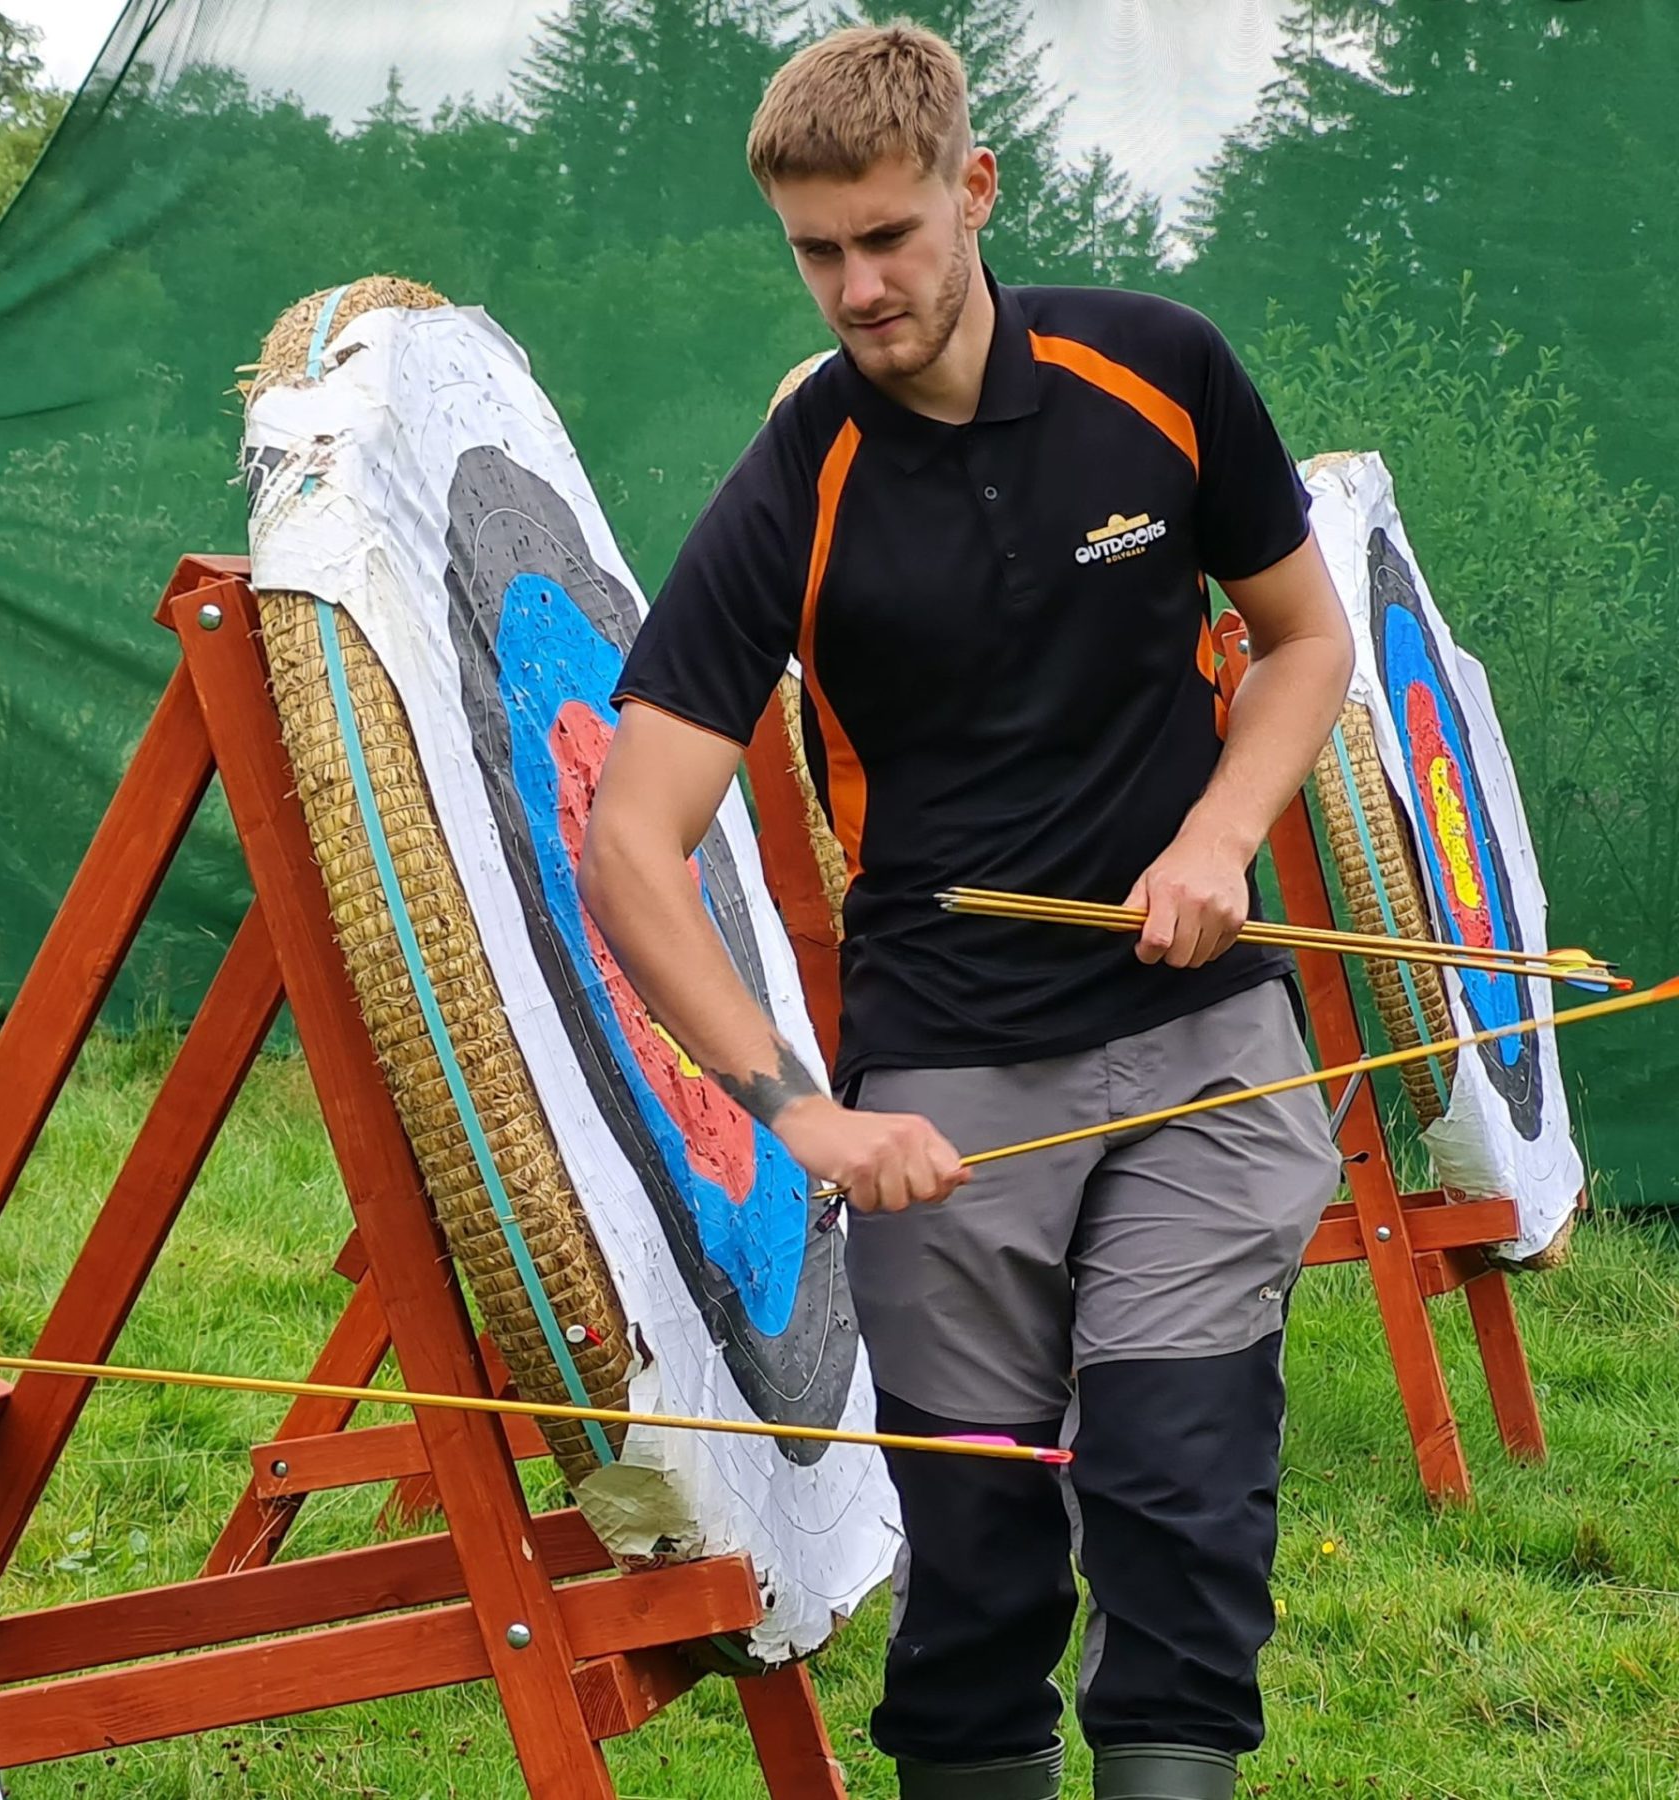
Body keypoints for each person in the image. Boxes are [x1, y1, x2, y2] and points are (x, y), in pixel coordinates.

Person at [577, 21, 1355, 1800]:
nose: (858, 287)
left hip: (1202, 1054)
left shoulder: (1160, 373)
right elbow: (633, 843)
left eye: (890, 237)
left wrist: (1223, 836)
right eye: (819, 253)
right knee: (984, 1567)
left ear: (974, 191)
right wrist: (806, 1113)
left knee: (1180, 1497)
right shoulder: (798, 483)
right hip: (946, 1084)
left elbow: (1306, 640)